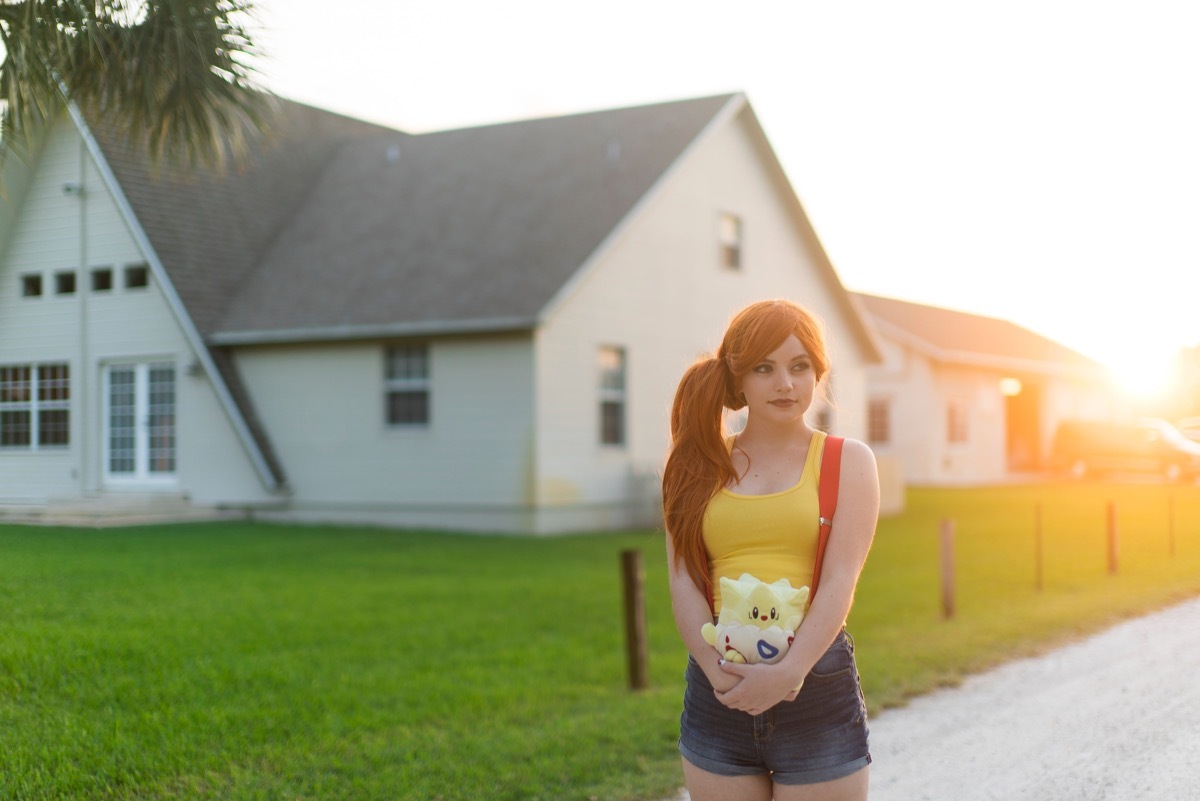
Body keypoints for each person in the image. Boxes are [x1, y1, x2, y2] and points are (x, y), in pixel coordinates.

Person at [662, 299, 879, 801]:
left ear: (818, 375)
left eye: (799, 367)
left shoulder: (848, 462)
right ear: (737, 379)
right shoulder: (694, 464)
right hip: (719, 687)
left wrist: (789, 672)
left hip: (815, 685)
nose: (785, 383)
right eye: (764, 368)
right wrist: (717, 672)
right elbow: (682, 579)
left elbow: (841, 579)